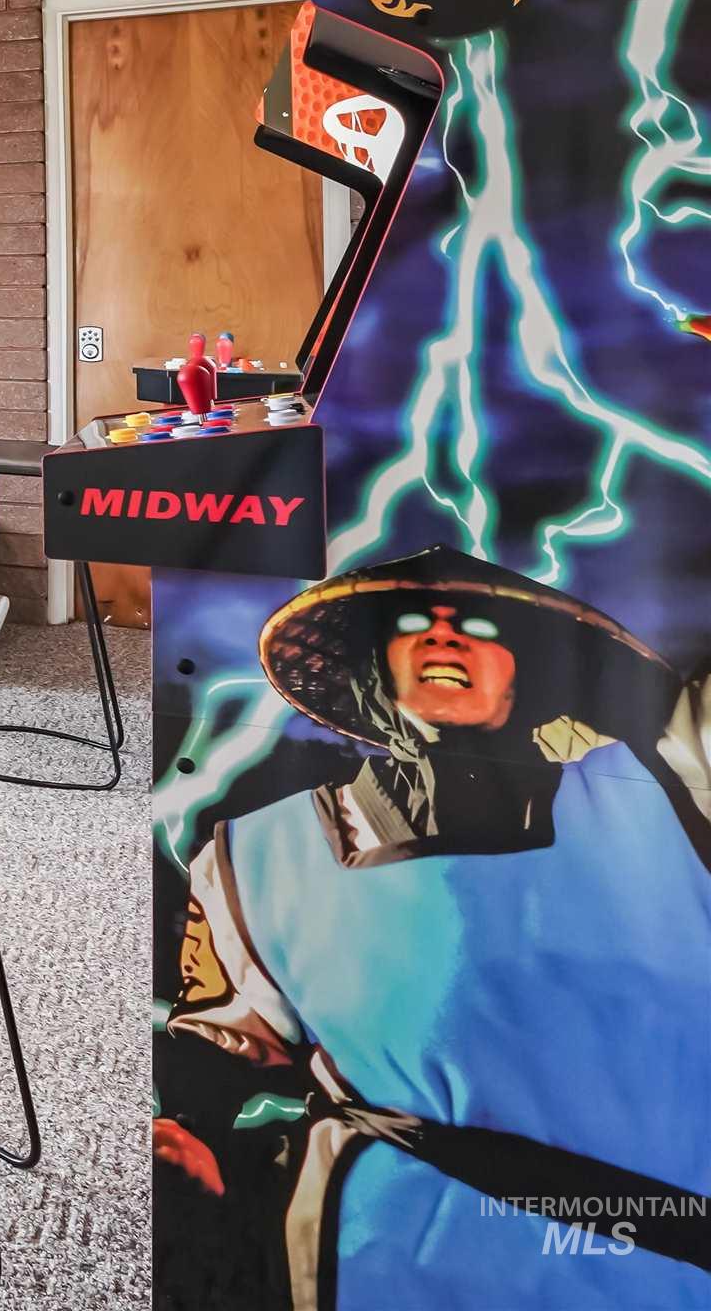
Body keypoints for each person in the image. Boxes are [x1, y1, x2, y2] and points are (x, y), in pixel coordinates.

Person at [157, 546, 711, 1309]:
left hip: (654, 1255)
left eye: (477, 625)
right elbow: (223, 1047)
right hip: (390, 1253)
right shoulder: (259, 852)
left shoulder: (663, 792)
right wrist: (188, 1127)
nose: (443, 635)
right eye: (412, 622)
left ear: (527, 671)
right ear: (374, 668)